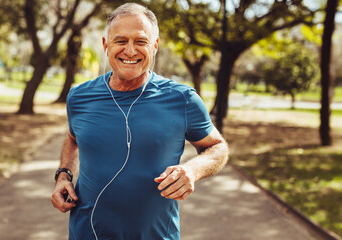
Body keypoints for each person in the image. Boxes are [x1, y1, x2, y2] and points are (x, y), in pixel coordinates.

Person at [51, 3, 229, 239]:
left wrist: (192, 170)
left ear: (154, 46)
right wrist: (63, 176)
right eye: (121, 41)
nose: (131, 51)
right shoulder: (79, 97)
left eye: (141, 41)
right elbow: (73, 138)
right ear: (106, 45)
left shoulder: (183, 99)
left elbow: (217, 147)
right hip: (85, 232)